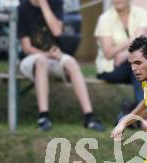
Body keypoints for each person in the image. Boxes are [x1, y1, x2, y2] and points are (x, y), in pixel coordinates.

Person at [18, 0, 104, 131]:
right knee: (41, 61)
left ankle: (89, 117)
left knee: (72, 63)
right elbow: (26, 47)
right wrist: (46, 55)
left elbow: (57, 31)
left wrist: (44, 4)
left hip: (55, 56)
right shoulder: (23, 7)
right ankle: (43, 117)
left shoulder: (56, 3)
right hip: (32, 59)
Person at [94, 0, 147, 116]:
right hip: (111, 68)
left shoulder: (141, 13)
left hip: (130, 65)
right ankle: (143, 115)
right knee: (139, 66)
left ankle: (132, 111)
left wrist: (126, 54)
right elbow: (108, 53)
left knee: (145, 67)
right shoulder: (105, 19)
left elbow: (141, 43)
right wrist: (132, 40)